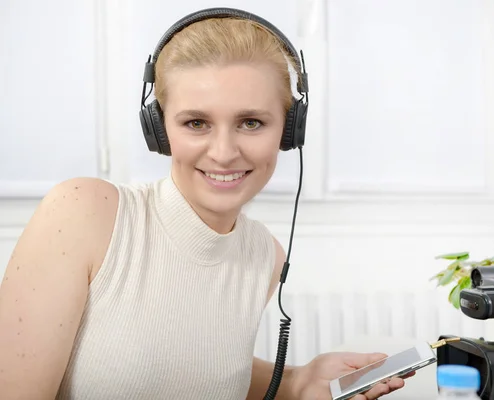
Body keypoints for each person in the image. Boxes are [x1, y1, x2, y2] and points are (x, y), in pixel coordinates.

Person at [0, 8, 412, 400]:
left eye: (251, 122)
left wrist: (296, 381)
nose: (223, 152)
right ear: (159, 129)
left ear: (289, 131)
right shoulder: (84, 213)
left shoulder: (263, 255)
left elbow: (187, 369)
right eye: (196, 123)